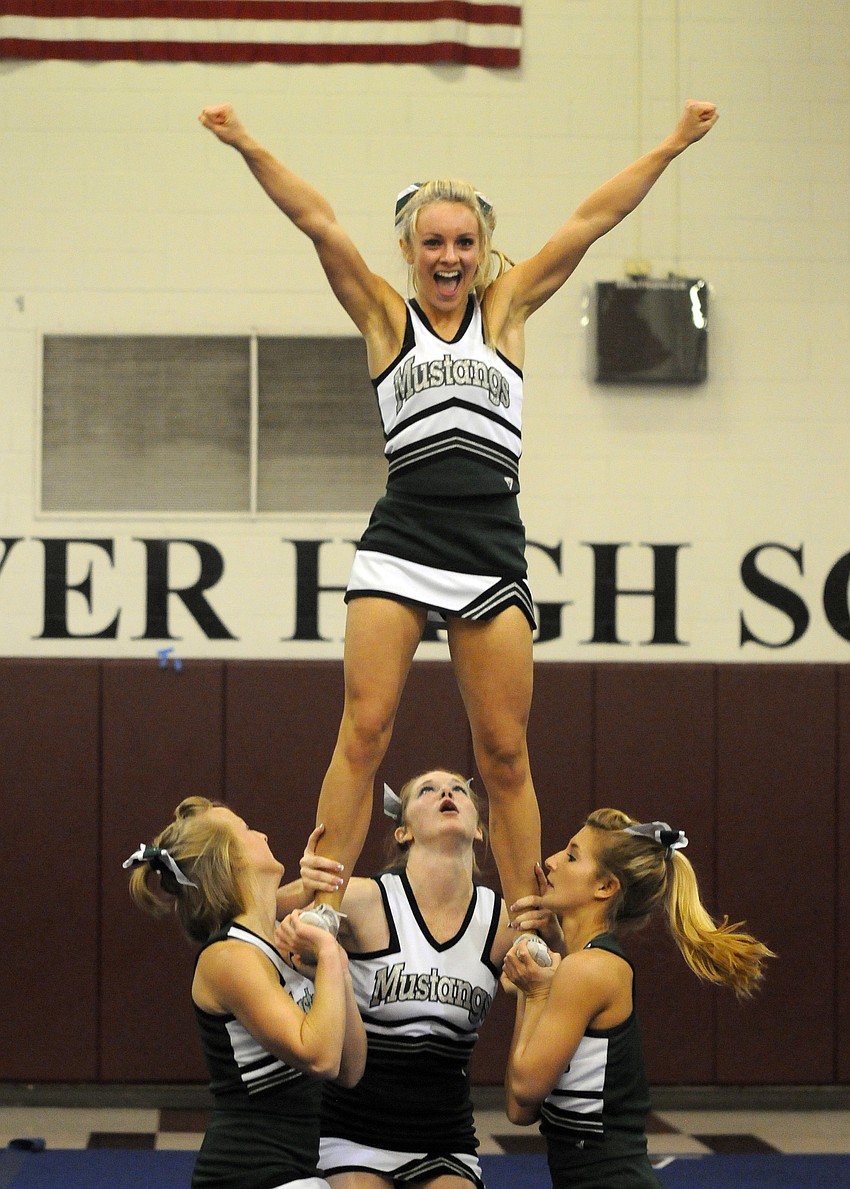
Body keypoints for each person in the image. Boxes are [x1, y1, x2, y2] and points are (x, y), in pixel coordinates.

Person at [198, 100, 720, 929]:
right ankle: (324, 902)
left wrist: (673, 143)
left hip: (488, 542)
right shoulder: (385, 317)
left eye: (464, 243)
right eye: (434, 242)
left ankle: (528, 924)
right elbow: (317, 222)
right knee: (364, 730)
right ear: (410, 250)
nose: (450, 257)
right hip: (404, 535)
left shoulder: (504, 312)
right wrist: (244, 142)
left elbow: (592, 220)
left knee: (504, 752)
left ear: (482, 250)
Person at [277, 769, 563, 1189]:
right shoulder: (365, 899)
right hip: (352, 1132)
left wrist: (555, 938)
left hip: (445, 1139)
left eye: (459, 790)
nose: (446, 792)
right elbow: (256, 916)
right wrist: (303, 889)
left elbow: (574, 980)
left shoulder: (504, 921)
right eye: (427, 790)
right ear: (403, 832)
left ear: (480, 830)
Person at [501, 809, 775, 1189]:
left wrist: (534, 992)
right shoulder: (577, 968)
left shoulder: (590, 970)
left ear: (605, 887)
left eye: (572, 856)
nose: (551, 861)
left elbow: (525, 1088)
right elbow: (519, 1111)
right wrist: (536, 968)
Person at [124, 797, 367, 1189]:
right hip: (246, 1174)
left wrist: (332, 966)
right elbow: (320, 1058)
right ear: (230, 861)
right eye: (247, 830)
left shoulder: (279, 944)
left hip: (292, 1172)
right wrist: (327, 952)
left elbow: (350, 1069)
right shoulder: (229, 957)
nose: (263, 834)